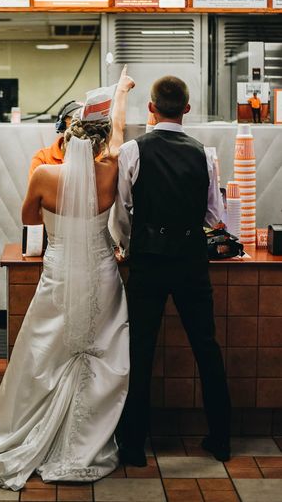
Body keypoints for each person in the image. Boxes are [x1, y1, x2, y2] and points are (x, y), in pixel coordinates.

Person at [0, 69, 135, 490]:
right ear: (98, 143)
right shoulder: (111, 168)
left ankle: (23, 432)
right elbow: (118, 133)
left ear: (66, 137)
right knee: (97, 352)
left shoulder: (44, 176)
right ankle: (85, 441)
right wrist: (121, 91)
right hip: (101, 272)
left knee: (47, 351)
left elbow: (28, 219)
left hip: (59, 270)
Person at [111, 75, 231, 467]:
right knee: (206, 347)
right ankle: (221, 439)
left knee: (140, 349)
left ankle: (132, 446)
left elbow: (122, 211)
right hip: (190, 259)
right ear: (187, 109)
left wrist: (129, 247)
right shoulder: (202, 153)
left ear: (150, 107)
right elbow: (215, 216)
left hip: (147, 260)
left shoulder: (133, 150)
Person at [28, 100, 83, 178]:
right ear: (62, 126)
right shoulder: (43, 159)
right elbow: (36, 190)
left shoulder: (99, 157)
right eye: (75, 120)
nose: (81, 125)